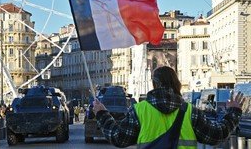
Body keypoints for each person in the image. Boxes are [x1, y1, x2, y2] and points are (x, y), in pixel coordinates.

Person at [93, 66, 246, 148]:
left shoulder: (139, 110)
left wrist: (102, 114)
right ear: (176, 83)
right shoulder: (190, 111)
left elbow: (119, 138)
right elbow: (216, 135)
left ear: (154, 84)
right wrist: (234, 111)